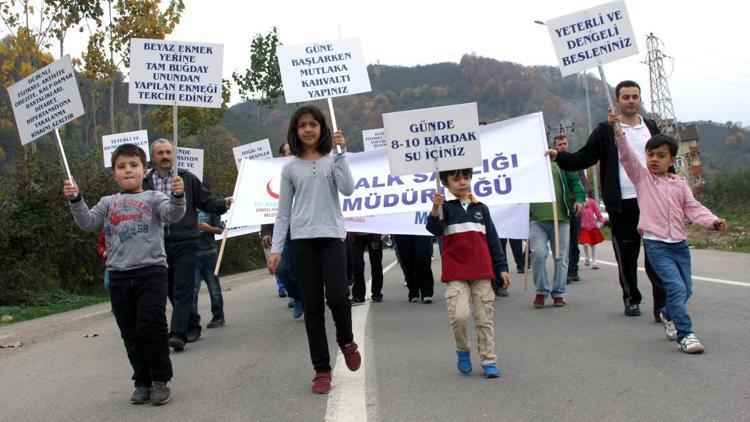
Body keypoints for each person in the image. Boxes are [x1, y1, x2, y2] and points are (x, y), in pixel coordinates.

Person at [64, 143, 185, 405]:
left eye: (133, 165)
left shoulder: (154, 198)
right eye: (121, 167)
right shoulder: (108, 202)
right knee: (130, 332)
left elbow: (173, 215)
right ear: (114, 174)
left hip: (151, 272)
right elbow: (87, 222)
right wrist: (76, 199)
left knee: (151, 326)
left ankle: (160, 379)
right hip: (118, 275)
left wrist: (178, 196)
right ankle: (141, 380)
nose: (128, 171)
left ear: (145, 170)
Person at [548, 80, 667, 320]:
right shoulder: (605, 130)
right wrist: (559, 156)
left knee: (657, 253)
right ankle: (631, 297)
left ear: (640, 99)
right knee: (627, 253)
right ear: (618, 101)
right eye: (626, 97)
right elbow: (585, 156)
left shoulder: (651, 127)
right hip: (622, 200)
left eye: (635, 96)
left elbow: (665, 159)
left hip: (652, 199)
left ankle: (662, 306)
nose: (631, 101)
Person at [612, 114, 726, 353]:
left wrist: (713, 221)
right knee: (675, 288)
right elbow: (627, 158)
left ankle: (667, 313)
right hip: (656, 243)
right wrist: (619, 134)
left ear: (672, 159)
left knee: (686, 289)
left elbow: (693, 208)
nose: (654, 160)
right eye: (650, 155)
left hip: (679, 244)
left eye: (660, 156)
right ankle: (686, 335)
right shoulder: (642, 179)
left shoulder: (679, 184)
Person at [267, 105, 361, 394]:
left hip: (332, 237)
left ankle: (346, 340)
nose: (308, 129)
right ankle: (321, 370)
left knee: (338, 297)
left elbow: (348, 189)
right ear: (295, 132)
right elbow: (283, 213)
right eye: (302, 125)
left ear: (322, 129)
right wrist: (277, 248)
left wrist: (342, 154)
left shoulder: (334, 160)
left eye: (313, 124)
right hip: (303, 242)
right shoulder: (290, 168)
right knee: (313, 309)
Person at [143, 139, 230, 352]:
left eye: (168, 152)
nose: (164, 156)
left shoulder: (187, 179)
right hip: (157, 243)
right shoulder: (145, 183)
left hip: (185, 242)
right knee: (171, 289)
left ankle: (177, 334)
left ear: (174, 155)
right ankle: (191, 324)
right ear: (153, 157)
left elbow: (206, 201)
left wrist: (224, 204)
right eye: (160, 153)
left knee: (183, 288)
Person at [426, 168, 510, 378]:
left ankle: (489, 359)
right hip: (456, 273)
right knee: (460, 316)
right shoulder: (445, 208)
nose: (462, 182)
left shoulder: (481, 208)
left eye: (466, 177)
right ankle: (463, 350)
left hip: (482, 272)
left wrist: (501, 268)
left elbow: (492, 239)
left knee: (484, 318)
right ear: (445, 183)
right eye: (456, 179)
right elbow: (434, 229)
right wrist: (436, 207)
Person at [530, 149, 585, 309]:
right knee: (538, 254)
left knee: (561, 257)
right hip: (536, 219)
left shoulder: (561, 161)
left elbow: (576, 181)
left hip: (560, 218)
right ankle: (541, 290)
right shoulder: (530, 162)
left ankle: (559, 292)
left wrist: (580, 199)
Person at [260, 142, 303, 318]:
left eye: (294, 153)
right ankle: (299, 297)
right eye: (288, 153)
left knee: (304, 270)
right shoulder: (271, 175)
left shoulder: (304, 169)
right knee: (282, 269)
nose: (291, 156)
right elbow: (263, 205)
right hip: (283, 232)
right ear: (280, 156)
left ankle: (308, 298)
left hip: (304, 230)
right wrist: (266, 232)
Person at [552, 135, 589, 283]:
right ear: (555, 146)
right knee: (562, 241)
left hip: (574, 205)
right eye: (559, 144)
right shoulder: (553, 163)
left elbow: (582, 183)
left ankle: (573, 269)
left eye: (564, 143)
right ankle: (564, 270)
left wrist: (581, 199)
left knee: (573, 239)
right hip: (560, 205)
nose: (562, 146)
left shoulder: (574, 161)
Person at [193, 211, 226, 329]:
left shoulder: (210, 208)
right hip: (191, 255)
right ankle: (192, 321)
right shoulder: (185, 207)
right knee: (193, 289)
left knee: (214, 287)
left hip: (209, 253)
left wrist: (208, 228)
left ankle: (218, 316)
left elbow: (220, 229)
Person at [393, 234, 435, 303]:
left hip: (420, 229)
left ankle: (426, 292)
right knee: (407, 259)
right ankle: (413, 291)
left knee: (423, 256)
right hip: (402, 230)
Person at [349, 232, 386, 303]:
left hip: (374, 234)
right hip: (356, 235)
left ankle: (377, 293)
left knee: (376, 265)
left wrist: (384, 232)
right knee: (356, 265)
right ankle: (358, 295)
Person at [579, 195, 606, 270]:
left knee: (593, 245)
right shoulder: (578, 203)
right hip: (583, 227)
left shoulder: (592, 202)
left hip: (593, 226)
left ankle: (594, 262)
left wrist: (601, 221)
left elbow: (598, 213)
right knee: (585, 243)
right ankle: (587, 256)